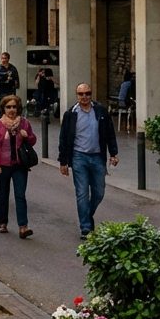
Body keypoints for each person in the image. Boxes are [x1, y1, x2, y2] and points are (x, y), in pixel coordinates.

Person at [58, 84, 119, 239]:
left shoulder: (100, 111)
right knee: (82, 193)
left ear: (91, 94)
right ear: (76, 95)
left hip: (97, 156)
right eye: (81, 94)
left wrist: (113, 153)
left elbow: (109, 133)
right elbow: (64, 139)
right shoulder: (71, 114)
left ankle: (87, 215)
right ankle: (85, 227)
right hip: (79, 157)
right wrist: (63, 162)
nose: (84, 96)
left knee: (99, 192)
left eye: (87, 93)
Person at [0, 94, 36, 239]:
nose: (12, 110)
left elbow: (33, 140)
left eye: (14, 107)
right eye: (8, 107)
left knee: (20, 195)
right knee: (3, 195)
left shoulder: (24, 123)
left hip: (20, 165)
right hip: (2, 165)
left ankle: (23, 226)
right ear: (3, 108)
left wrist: (26, 135)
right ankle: (3, 222)